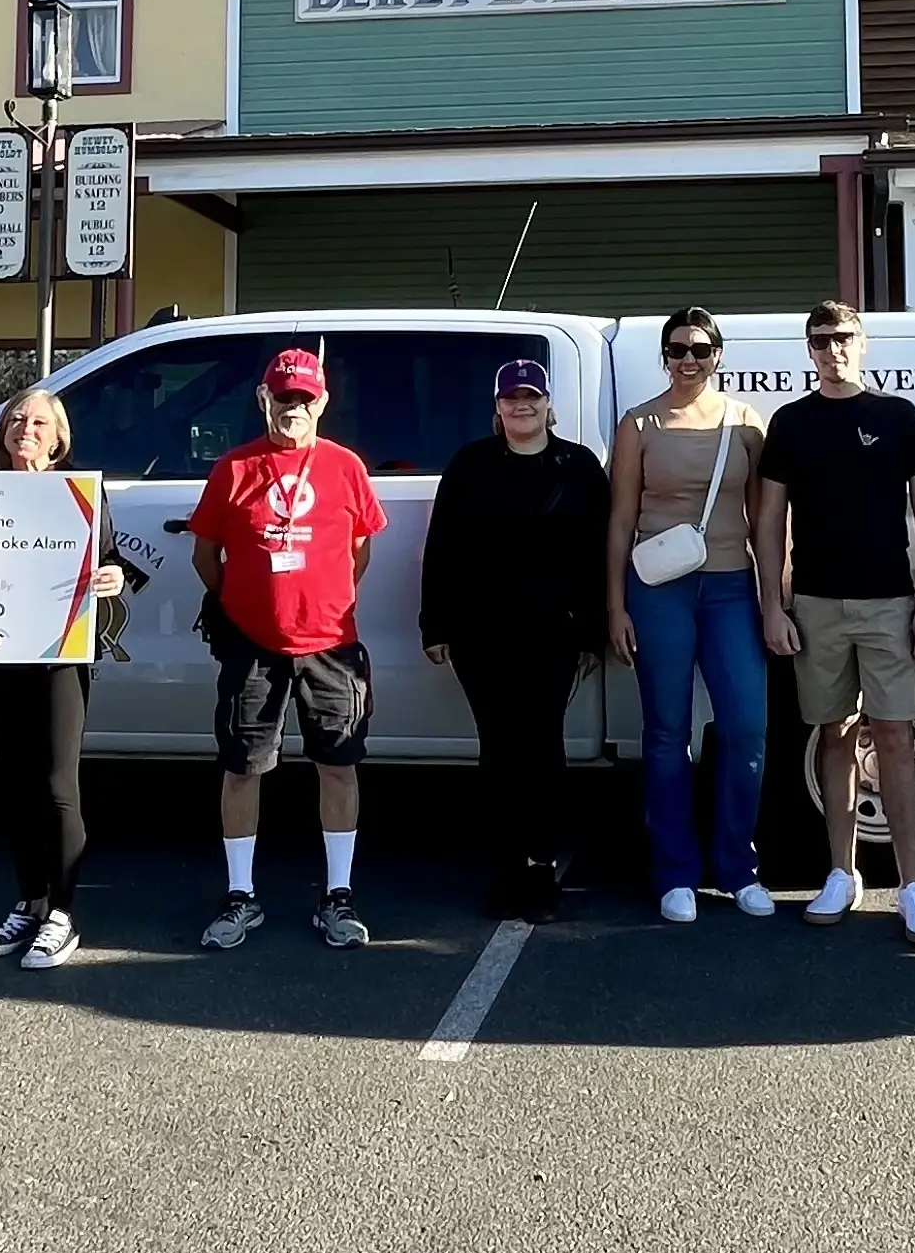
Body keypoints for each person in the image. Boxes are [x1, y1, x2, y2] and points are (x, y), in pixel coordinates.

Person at [756, 302, 915, 942]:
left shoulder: (896, 418)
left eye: (842, 338)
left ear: (862, 345)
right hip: (814, 604)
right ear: (808, 351)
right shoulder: (791, 423)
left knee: (894, 737)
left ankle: (914, 887)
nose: (832, 349)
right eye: (820, 340)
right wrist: (773, 605)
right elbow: (769, 520)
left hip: (889, 602)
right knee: (833, 736)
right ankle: (841, 873)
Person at [188, 348, 387, 952]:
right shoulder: (234, 468)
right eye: (282, 397)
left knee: (338, 764)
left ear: (321, 402)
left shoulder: (346, 467)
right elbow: (206, 556)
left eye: (304, 399)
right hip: (253, 647)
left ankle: (339, 894)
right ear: (263, 400)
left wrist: (318, 600)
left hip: (331, 644)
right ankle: (241, 895)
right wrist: (247, 605)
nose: (292, 408)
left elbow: (360, 550)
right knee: (243, 768)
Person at [421, 358, 611, 923]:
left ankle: (541, 869)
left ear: (548, 403)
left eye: (532, 397)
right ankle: (506, 872)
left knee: (543, 750)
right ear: (497, 406)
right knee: (499, 751)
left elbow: (601, 555)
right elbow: (442, 548)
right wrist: (436, 625)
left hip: (555, 634)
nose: (521, 405)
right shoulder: (470, 464)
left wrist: (595, 631)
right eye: (511, 398)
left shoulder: (578, 467)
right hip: (483, 635)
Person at [606, 306, 776, 924]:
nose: (688, 361)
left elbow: (766, 520)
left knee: (745, 728)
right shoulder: (640, 423)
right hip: (659, 590)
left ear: (718, 357)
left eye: (700, 350)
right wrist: (616, 605)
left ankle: (738, 868)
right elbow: (621, 518)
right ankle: (674, 872)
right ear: (663, 356)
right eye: (677, 350)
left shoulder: (745, 423)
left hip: (731, 586)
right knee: (665, 731)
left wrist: (775, 600)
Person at [0, 384, 127, 971]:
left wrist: (110, 575)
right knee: (16, 784)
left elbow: (106, 559)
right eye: (15, 418)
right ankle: (29, 901)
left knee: (58, 784)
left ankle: (62, 912)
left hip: (59, 654)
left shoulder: (80, 495)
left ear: (59, 439)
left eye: (39, 421)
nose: (25, 428)